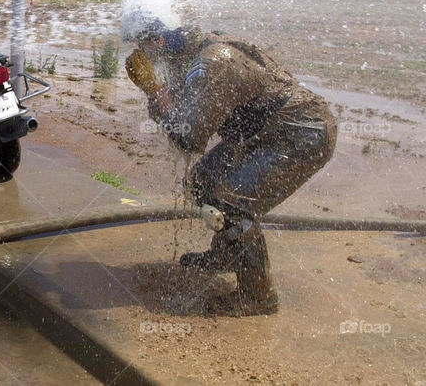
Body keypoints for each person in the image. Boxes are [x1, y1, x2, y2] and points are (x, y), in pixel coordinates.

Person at [124, 17, 336, 315]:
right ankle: (226, 254)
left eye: (142, 44)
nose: (139, 53)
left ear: (159, 41)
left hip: (300, 133)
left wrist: (156, 93)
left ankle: (257, 297)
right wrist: (162, 93)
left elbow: (188, 136)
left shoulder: (211, 64)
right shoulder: (189, 54)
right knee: (202, 181)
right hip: (261, 133)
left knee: (232, 204)